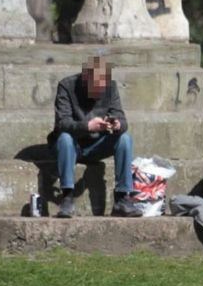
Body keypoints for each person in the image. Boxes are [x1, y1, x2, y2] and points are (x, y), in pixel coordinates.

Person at [47, 55, 138, 218]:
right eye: (95, 87)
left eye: (102, 88)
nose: (99, 92)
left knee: (125, 138)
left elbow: (122, 119)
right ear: (84, 79)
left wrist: (117, 124)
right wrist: (87, 126)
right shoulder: (66, 86)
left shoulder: (111, 87)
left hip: (96, 146)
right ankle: (67, 196)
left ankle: (122, 198)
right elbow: (62, 123)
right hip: (70, 147)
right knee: (65, 138)